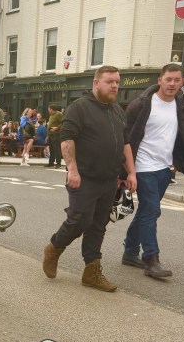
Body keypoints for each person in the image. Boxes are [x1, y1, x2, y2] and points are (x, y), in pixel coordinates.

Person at [42, 65, 137, 292]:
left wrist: (131, 172)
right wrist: (72, 169)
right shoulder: (79, 108)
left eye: (117, 82)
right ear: (96, 83)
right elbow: (67, 139)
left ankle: (91, 272)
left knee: (98, 225)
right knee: (80, 220)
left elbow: (125, 143)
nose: (115, 86)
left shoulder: (117, 110)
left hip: (109, 179)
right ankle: (54, 248)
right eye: (109, 82)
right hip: (84, 178)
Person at [122, 63, 184, 278]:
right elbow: (125, 137)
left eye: (176, 80)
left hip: (165, 168)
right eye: (168, 79)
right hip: (143, 167)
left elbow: (183, 135)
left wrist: (177, 163)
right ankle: (151, 258)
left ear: (182, 82)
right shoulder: (141, 104)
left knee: (146, 211)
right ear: (160, 80)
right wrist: (128, 171)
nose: (172, 84)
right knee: (151, 211)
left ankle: (130, 251)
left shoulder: (182, 105)